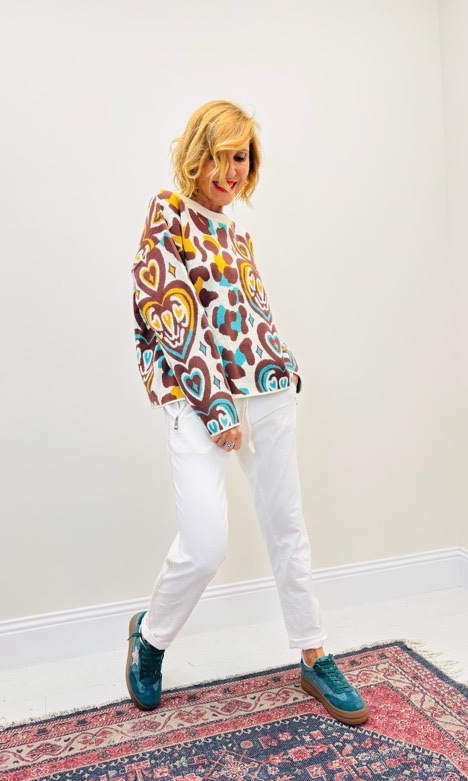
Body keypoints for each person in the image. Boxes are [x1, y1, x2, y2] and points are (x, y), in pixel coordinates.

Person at [127, 100, 368, 726]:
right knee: (205, 544)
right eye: (222, 155)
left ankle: (314, 654)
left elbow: (252, 316)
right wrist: (216, 406)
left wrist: (285, 366)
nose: (232, 171)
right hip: (197, 399)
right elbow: (172, 317)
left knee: (287, 525)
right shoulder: (168, 215)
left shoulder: (238, 235)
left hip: (267, 391)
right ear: (197, 154)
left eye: (242, 158)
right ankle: (150, 636)